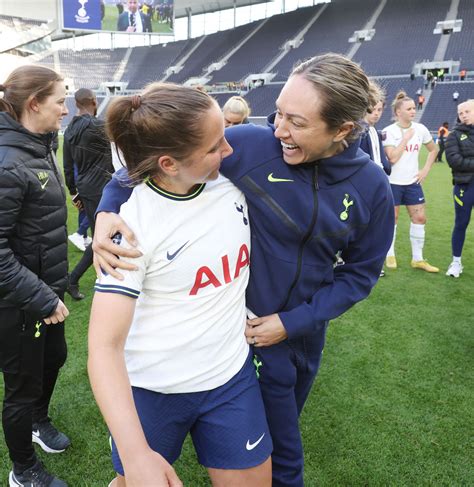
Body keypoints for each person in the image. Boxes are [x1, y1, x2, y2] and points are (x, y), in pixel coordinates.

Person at [93, 53, 395, 487]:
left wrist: (292, 323)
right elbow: (159, 164)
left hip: (295, 340)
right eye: (278, 114)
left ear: (342, 130)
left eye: (296, 122)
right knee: (276, 459)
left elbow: (361, 275)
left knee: (281, 450)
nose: (279, 130)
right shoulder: (253, 146)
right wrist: (106, 210)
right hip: (229, 341)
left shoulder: (372, 190)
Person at [88, 83, 272, 487]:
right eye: (213, 146)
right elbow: (104, 347)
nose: (229, 150)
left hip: (230, 378)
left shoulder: (234, 179)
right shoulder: (131, 226)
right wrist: (136, 455)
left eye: (225, 133)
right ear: (169, 163)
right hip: (153, 389)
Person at [0, 65, 70, 487]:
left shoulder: (40, 144)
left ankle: (37, 422)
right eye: (60, 101)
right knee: (21, 389)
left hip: (47, 290)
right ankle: (22, 470)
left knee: (56, 358)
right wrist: (41, 299)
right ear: (34, 104)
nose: (65, 109)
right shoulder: (9, 163)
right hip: (20, 302)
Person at [63, 88, 113, 300]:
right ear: (94, 101)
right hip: (102, 188)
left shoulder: (69, 131)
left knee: (102, 235)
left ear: (76, 104)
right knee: (102, 237)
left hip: (86, 188)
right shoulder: (99, 126)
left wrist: (74, 193)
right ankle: (73, 280)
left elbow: (67, 166)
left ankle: (102, 277)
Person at [382, 91, 439, 272]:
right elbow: (392, 158)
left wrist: (425, 170)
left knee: (420, 218)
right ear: (398, 112)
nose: (413, 111)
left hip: (413, 183)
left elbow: (434, 149)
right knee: (393, 219)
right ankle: (389, 254)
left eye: (414, 108)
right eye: (409, 109)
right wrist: (405, 139)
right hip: (393, 183)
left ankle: (418, 259)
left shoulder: (421, 129)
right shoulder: (388, 132)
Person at [445, 99, 474, 277]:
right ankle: (456, 262)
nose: (463, 115)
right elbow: (455, 161)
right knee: (461, 223)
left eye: (467, 111)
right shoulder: (454, 135)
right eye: (461, 113)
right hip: (464, 186)